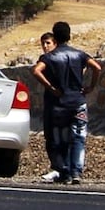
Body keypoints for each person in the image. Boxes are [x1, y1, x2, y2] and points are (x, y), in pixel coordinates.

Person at [32, 21, 101, 185]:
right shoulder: (79, 54)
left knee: (60, 138)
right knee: (78, 137)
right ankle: (76, 171)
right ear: (69, 35)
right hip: (78, 102)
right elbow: (97, 67)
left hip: (59, 104)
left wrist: (50, 87)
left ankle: (64, 171)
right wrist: (91, 86)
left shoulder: (49, 57)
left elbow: (36, 71)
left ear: (55, 37)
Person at [37, 32, 60, 182]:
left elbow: (36, 71)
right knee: (50, 135)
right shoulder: (45, 59)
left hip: (60, 101)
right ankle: (56, 166)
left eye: (48, 43)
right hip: (51, 100)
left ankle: (61, 167)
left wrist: (50, 87)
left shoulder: (57, 58)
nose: (45, 46)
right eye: (43, 44)